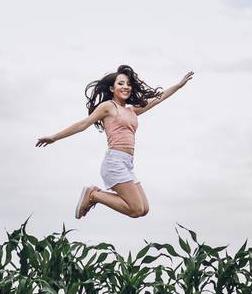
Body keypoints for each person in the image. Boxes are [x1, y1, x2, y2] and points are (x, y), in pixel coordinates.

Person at [35, 65, 194, 219]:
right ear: (112, 88)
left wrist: (179, 85)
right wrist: (54, 137)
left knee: (144, 209)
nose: (126, 87)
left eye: (128, 84)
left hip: (127, 163)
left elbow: (158, 99)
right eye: (120, 83)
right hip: (114, 162)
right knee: (136, 209)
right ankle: (93, 195)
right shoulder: (108, 107)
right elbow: (83, 124)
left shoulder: (132, 110)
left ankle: (95, 194)